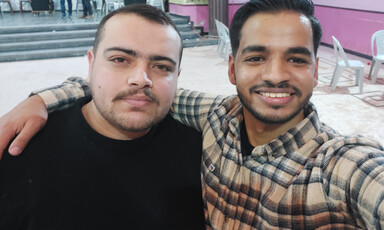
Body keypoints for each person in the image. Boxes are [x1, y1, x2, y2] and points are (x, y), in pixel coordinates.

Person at [1, 0, 384, 229]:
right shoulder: (216, 116)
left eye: (297, 59)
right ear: (232, 69)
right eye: (257, 57)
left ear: (317, 70)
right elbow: (131, 92)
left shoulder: (341, 163)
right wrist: (42, 99)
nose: (275, 75)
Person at [0, 4, 205, 229]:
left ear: (177, 76)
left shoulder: (203, 158)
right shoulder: (21, 149)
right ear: (91, 63)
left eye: (161, 66)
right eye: (120, 59)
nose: (141, 78)